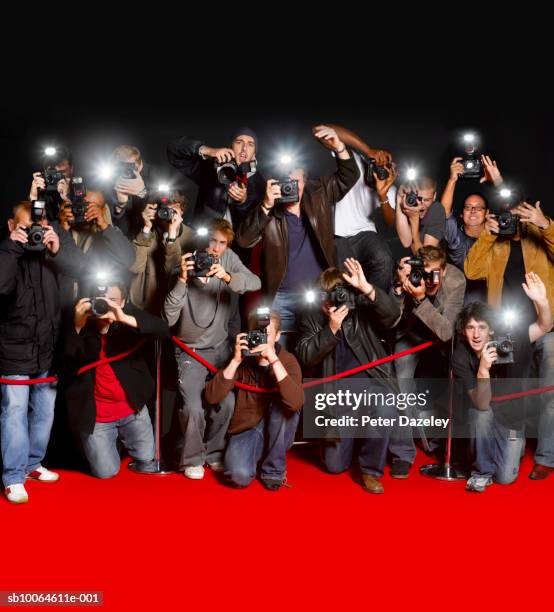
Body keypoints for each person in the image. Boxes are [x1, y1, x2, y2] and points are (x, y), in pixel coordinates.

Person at [163, 218, 261, 479]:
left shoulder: (227, 259)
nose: (216, 249)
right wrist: (182, 278)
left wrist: (227, 276)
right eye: (212, 241)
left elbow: (255, 283)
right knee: (193, 408)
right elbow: (169, 317)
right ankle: (192, 459)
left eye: (222, 243)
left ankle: (214, 453)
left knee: (226, 403)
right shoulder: (187, 262)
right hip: (190, 351)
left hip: (219, 349)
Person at [0, 201, 83, 503]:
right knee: (15, 412)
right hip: (15, 348)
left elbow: (80, 268)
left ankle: (33, 463)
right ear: (12, 227)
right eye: (25, 229)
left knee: (45, 412)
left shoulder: (51, 250)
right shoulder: (6, 251)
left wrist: (56, 246)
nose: (32, 235)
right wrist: (12, 248)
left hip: (49, 348)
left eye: (37, 228)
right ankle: (12, 475)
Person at [452, 274, 552, 492]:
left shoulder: (511, 342)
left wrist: (542, 302)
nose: (476, 334)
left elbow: (544, 327)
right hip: (485, 417)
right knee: (479, 414)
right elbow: (481, 404)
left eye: (482, 327)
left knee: (505, 478)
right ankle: (481, 471)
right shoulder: (461, 356)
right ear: (463, 331)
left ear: (492, 330)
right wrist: (483, 369)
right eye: (470, 328)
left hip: (511, 419)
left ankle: (515, 445)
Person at [62, 282, 170, 478]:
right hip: (98, 417)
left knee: (147, 459)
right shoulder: (80, 322)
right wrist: (76, 326)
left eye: (113, 300)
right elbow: (63, 365)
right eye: (101, 299)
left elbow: (163, 330)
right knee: (106, 472)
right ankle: (104, 442)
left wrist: (123, 317)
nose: (106, 305)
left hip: (131, 410)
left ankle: (121, 439)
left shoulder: (126, 315)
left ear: (124, 302)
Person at [205, 311, 303, 490]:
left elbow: (296, 403)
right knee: (238, 475)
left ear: (278, 336)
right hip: (248, 428)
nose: (261, 338)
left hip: (279, 428)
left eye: (267, 333)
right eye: (257, 333)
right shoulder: (242, 359)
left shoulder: (288, 361)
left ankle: (273, 471)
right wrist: (235, 361)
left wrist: (273, 359)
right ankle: (256, 455)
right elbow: (212, 396)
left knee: (283, 407)